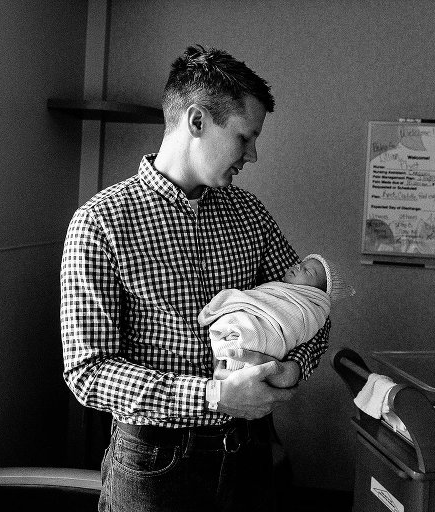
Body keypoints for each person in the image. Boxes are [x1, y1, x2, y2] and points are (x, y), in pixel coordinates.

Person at [60, 45, 331, 512]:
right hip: (154, 464)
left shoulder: (249, 215)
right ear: (198, 121)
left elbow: (310, 310)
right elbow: (87, 372)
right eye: (245, 138)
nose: (254, 154)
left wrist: (295, 368)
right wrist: (212, 396)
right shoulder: (100, 222)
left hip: (251, 455)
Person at [199, 254, 355, 373]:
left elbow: (289, 324)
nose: (299, 267)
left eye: (308, 271)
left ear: (315, 293)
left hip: (263, 342)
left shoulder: (307, 311)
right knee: (237, 321)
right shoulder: (279, 289)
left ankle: (235, 350)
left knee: (249, 332)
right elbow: (259, 300)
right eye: (301, 264)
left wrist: (289, 372)